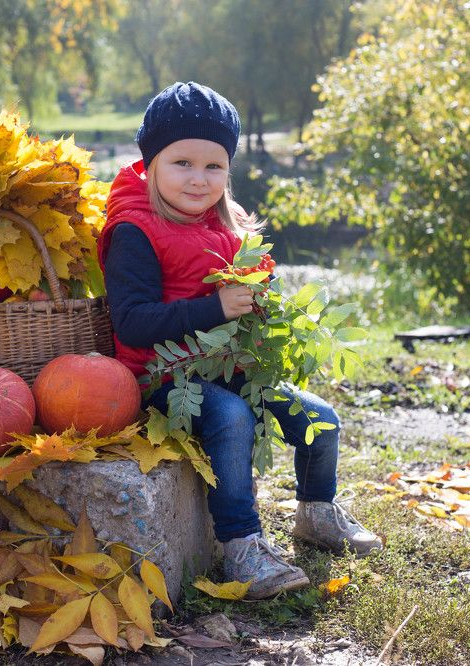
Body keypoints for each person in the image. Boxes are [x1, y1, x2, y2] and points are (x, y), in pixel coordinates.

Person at [96, 82, 382, 600]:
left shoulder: (230, 228)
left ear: (229, 171)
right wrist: (215, 308)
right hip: (162, 375)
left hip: (228, 367)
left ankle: (317, 512)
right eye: (181, 162)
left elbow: (243, 304)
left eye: (214, 166)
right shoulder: (134, 231)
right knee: (231, 417)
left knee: (320, 418)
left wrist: (260, 309)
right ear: (150, 164)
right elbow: (133, 323)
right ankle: (241, 546)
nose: (198, 179)